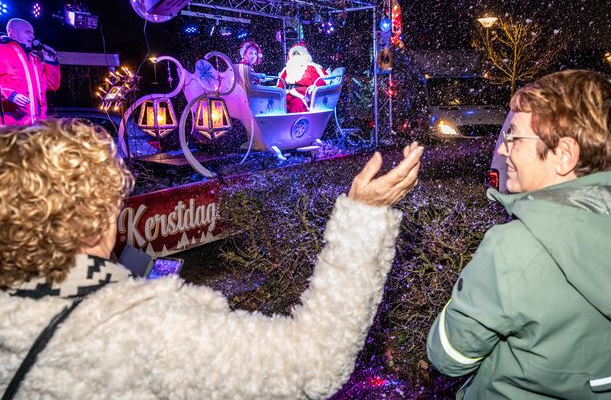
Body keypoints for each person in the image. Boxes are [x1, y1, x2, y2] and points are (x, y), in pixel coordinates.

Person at [0, 119, 423, 399]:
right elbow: (314, 360)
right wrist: (363, 218)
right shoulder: (138, 331)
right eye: (114, 207)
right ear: (94, 224)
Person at [427, 70, 611, 399]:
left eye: (514, 137)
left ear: (565, 155)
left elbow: (449, 357)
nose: (504, 150)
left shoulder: (514, 248)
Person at [0, 18, 60, 126]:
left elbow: (52, 85)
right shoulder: (2, 51)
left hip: (38, 128)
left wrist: (50, 61)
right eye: (28, 33)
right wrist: (8, 94)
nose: (32, 37)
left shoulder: (35, 58)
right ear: (13, 33)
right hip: (11, 129)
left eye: (33, 34)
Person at [278, 43, 327, 113]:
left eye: (298, 53)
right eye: (294, 54)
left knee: (296, 104)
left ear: (305, 55)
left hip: (305, 96)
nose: (296, 56)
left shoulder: (313, 67)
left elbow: (323, 81)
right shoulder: (287, 69)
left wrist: (313, 89)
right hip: (287, 95)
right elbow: (280, 85)